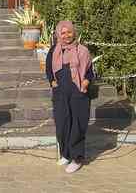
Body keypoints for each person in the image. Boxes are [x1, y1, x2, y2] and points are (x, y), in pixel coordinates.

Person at [45, 20, 93, 173]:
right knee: (62, 124)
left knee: (77, 126)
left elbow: (90, 72)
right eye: (63, 33)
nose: (66, 35)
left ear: (74, 33)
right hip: (60, 93)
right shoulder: (54, 50)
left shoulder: (83, 50)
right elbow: (48, 69)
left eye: (69, 32)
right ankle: (65, 154)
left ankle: (77, 158)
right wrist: (52, 82)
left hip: (78, 93)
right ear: (59, 34)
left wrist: (86, 82)